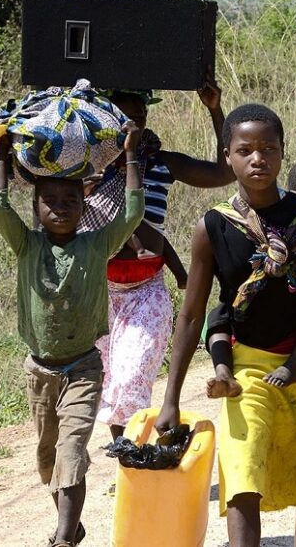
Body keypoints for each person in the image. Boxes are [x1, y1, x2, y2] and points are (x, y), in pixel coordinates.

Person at [155, 104, 296, 547]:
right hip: (248, 369)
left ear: (282, 153)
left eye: (268, 148)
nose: (258, 158)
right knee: (242, 474)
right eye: (245, 149)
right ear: (227, 155)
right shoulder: (212, 226)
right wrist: (169, 398)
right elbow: (193, 314)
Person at [0, 124, 144, 547]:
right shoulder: (27, 246)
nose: (59, 207)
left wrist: (131, 156)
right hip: (39, 371)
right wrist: (0, 157)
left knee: (71, 452)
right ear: (35, 206)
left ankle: (62, 540)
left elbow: (133, 214)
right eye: (49, 201)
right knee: (47, 460)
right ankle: (71, 525)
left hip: (83, 367)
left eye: (70, 200)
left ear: (83, 203)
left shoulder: (96, 245)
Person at [79, 78, 232, 444]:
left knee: (132, 375)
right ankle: (125, 457)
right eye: (126, 117)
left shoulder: (160, 164)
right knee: (111, 382)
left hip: (145, 290)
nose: (135, 123)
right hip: (96, 292)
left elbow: (224, 173)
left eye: (141, 116)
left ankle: (133, 454)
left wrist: (215, 110)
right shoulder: (89, 166)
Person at [205, 157, 296, 397]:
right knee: (218, 316)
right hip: (258, 298)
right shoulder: (266, 220)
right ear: (293, 195)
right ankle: (223, 373)